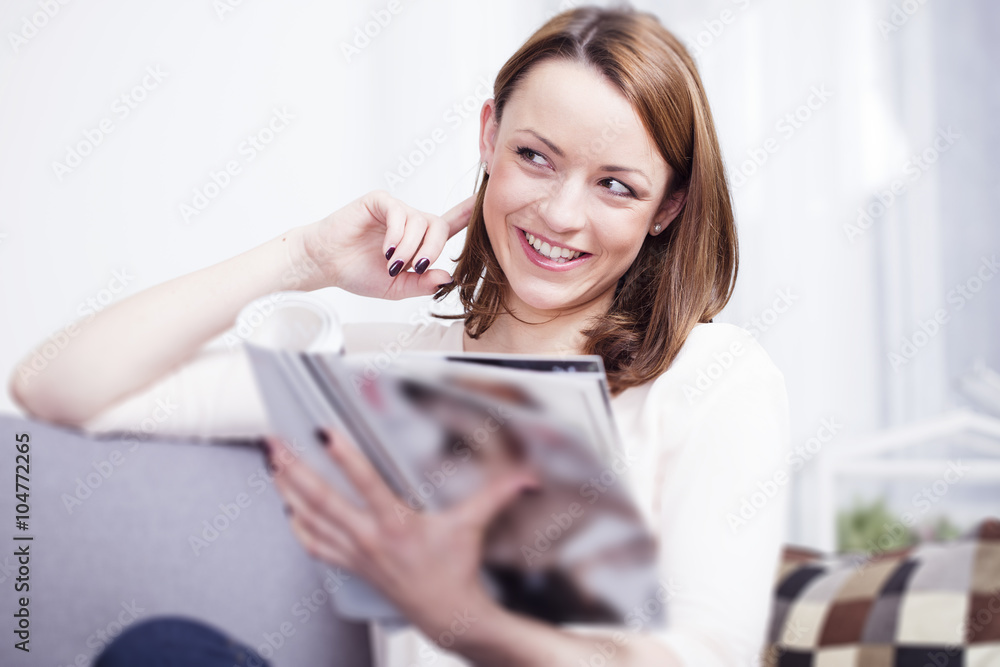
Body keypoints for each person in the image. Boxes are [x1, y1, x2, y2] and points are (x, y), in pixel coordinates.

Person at [9, 5, 791, 666]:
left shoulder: (714, 379)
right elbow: (57, 385)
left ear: (668, 207)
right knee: (165, 648)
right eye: (533, 157)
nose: (559, 214)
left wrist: (465, 616)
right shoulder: (392, 368)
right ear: (488, 138)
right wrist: (302, 256)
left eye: (616, 185)